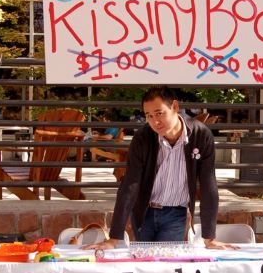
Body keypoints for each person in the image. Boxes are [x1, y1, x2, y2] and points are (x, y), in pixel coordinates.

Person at [84, 86, 237, 251]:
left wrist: (209, 238)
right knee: (144, 263)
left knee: (167, 265)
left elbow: (208, 185)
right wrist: (113, 239)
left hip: (176, 213)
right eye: (149, 116)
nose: (155, 121)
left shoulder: (201, 135)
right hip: (144, 211)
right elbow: (130, 184)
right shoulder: (143, 137)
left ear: (175, 107)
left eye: (159, 113)